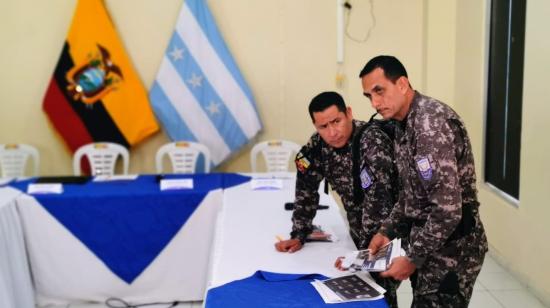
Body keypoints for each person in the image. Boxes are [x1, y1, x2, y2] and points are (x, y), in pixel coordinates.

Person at [360, 55, 488, 307]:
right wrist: (386, 231)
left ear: (403, 84)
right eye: (369, 96)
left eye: (379, 91)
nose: (375, 102)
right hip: (431, 245)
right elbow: (410, 194)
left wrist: (412, 259)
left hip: (453, 252)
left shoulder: (429, 125)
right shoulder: (403, 123)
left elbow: (447, 210)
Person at [274, 91, 400, 308]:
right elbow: (305, 189)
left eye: (336, 121)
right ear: (315, 126)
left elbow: (379, 202)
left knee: (381, 292)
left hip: (388, 230)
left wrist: (361, 258)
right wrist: (299, 233)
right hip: (358, 228)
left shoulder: (371, 141)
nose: (332, 132)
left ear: (348, 113)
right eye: (323, 126)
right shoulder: (316, 147)